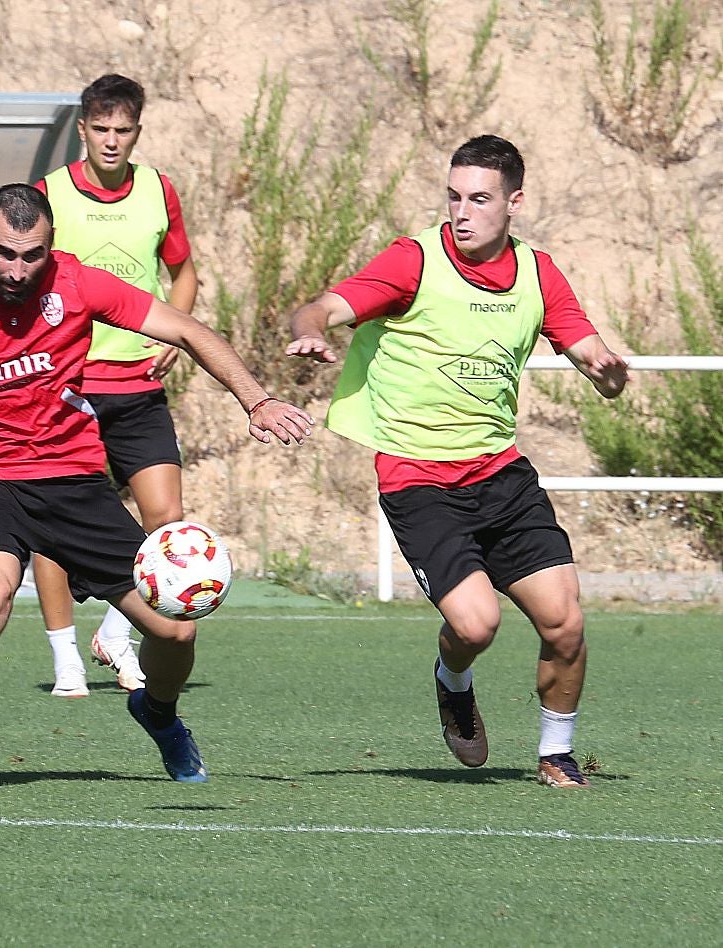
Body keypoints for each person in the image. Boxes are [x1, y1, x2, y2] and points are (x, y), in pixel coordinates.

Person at [0, 183, 313, 795]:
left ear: (53, 245)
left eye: (33, 255)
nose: (19, 270)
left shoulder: (78, 284)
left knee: (175, 630)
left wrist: (255, 399)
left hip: (75, 479)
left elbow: (186, 330)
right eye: (5, 254)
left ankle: (157, 711)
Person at [284, 135, 630, 789]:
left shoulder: (538, 273)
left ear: (514, 203)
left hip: (498, 473)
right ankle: (452, 679)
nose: (461, 212)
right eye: (452, 196)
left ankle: (555, 753)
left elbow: (589, 352)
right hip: (418, 478)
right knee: (475, 624)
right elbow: (327, 304)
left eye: (478, 199)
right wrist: (311, 326)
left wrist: (607, 375)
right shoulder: (412, 260)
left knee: (565, 622)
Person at [31, 73, 198, 698]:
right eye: (99, 129)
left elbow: (183, 273)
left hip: (138, 386)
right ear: (82, 129)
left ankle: (116, 633)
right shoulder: (51, 195)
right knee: (53, 524)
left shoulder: (158, 190)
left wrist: (172, 335)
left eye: (122, 131)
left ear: (137, 131)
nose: (110, 141)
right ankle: (65, 657)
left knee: (166, 516)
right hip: (69, 387)